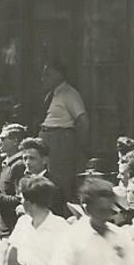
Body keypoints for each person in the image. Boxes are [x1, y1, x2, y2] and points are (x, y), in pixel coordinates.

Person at [37, 61, 89, 201]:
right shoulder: (52, 94)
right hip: (47, 138)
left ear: (60, 75)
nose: (44, 78)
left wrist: (78, 146)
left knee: (59, 177)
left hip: (60, 139)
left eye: (48, 74)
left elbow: (82, 120)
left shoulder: (69, 94)